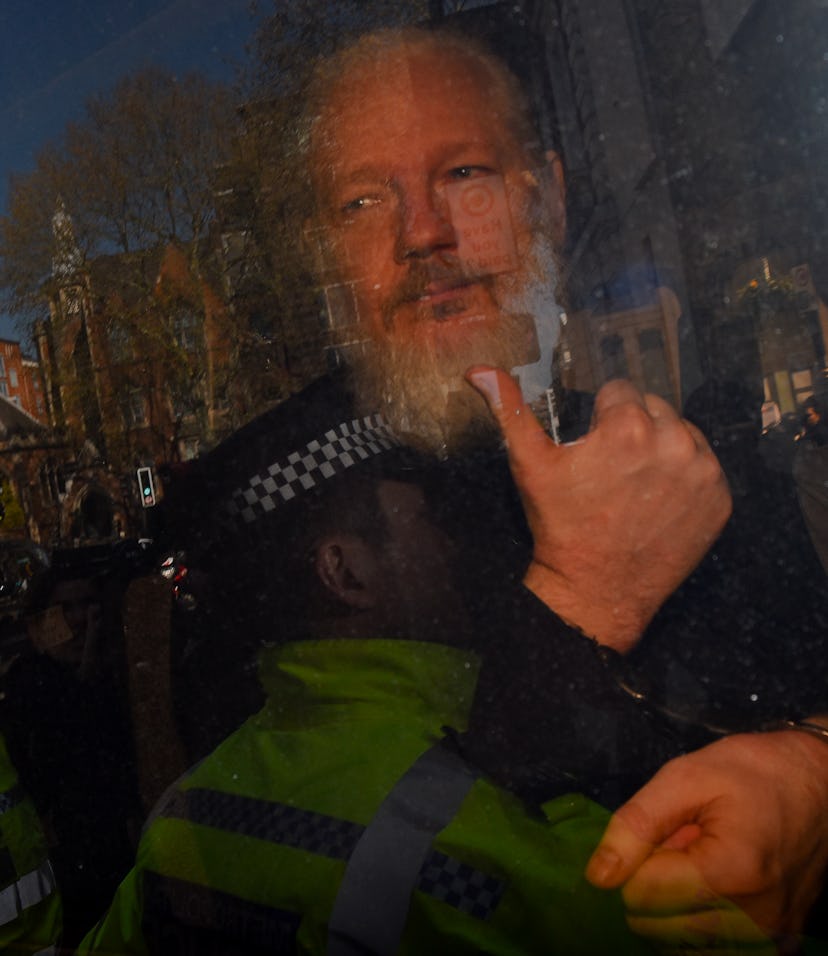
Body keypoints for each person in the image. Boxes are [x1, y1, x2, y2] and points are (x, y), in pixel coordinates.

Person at [92, 25, 828, 951]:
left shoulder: (677, 451)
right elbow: (301, 875)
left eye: (465, 175)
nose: (424, 233)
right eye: (363, 199)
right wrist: (581, 600)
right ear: (325, 255)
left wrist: (813, 775)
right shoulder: (268, 509)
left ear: (548, 199)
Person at [80, 385, 699, 955]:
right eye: (425, 521)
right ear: (347, 573)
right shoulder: (484, 836)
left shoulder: (183, 820)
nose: (450, 545)